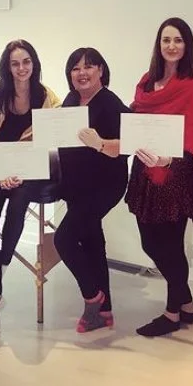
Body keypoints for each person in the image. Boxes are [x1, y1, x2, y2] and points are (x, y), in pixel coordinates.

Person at [125, 17, 193, 338]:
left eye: (178, 40)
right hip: (145, 171)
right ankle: (187, 304)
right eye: (166, 40)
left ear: (186, 46)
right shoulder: (146, 84)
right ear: (158, 45)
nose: (172, 46)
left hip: (177, 172)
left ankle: (172, 313)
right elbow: (137, 119)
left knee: (172, 246)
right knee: (151, 243)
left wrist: (173, 159)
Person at [0, 39, 60, 334]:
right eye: (15, 63)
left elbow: (54, 138)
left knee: (18, 206)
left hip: (29, 169)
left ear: (34, 64)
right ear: (7, 66)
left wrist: (26, 168)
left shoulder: (47, 96)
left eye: (26, 62)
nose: (22, 68)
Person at [53, 47, 130, 332]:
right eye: (75, 68)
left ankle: (92, 297)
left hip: (103, 186)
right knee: (92, 242)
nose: (81, 73)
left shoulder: (110, 103)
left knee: (63, 239)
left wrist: (100, 143)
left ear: (101, 70)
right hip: (75, 184)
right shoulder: (71, 100)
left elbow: (131, 144)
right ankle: (105, 311)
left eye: (89, 66)